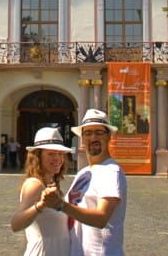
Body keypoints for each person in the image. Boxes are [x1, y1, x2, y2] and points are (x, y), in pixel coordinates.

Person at [45, 108, 127, 256]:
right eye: (88, 133)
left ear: (109, 136)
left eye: (99, 132)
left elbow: (102, 218)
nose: (93, 137)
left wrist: (60, 205)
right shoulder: (84, 173)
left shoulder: (111, 172)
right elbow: (72, 210)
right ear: (82, 138)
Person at [10, 126, 72, 256]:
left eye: (60, 154)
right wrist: (40, 205)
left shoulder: (52, 184)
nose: (58, 159)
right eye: (51, 154)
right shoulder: (35, 185)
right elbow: (16, 224)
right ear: (38, 157)